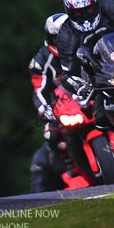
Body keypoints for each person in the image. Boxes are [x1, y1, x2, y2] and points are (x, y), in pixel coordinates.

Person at [29, 13, 70, 192]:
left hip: (94, 97)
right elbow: (38, 90)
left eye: (66, 34)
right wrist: (44, 108)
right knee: (51, 136)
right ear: (50, 37)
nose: (63, 40)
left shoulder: (88, 43)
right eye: (58, 37)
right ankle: (71, 167)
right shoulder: (41, 61)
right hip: (63, 108)